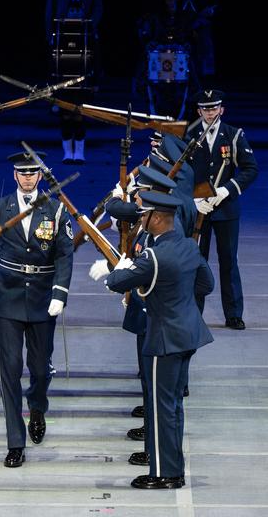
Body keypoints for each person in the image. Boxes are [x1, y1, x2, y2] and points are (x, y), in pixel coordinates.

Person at [90, 190, 214, 489]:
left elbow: (117, 282)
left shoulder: (154, 256)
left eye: (144, 215)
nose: (141, 220)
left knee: (161, 408)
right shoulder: (187, 246)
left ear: (157, 219)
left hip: (165, 337)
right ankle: (174, 468)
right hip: (188, 333)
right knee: (173, 406)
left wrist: (115, 268)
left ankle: (164, 473)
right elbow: (206, 285)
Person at [0, 151, 74, 468]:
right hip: (8, 296)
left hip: (43, 296)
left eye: (33, 173)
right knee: (9, 371)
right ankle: (15, 441)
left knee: (41, 369)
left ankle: (38, 406)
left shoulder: (56, 209)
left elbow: (64, 254)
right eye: (22, 173)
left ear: (40, 176)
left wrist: (60, 292)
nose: (28, 178)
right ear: (15, 175)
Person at [187, 90, 258, 329]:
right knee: (197, 261)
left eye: (214, 108)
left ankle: (234, 314)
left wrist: (226, 190)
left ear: (221, 110)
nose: (210, 113)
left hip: (225, 209)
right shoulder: (189, 135)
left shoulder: (233, 135)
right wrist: (193, 199)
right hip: (199, 210)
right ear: (199, 111)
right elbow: (181, 172)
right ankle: (195, 313)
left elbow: (250, 169)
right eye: (205, 109)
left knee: (229, 261)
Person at [45, 0, 102, 163]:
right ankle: (67, 152)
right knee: (63, 99)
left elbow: (98, 8)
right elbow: (49, 9)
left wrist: (90, 27)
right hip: (62, 36)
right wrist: (50, 34)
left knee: (80, 104)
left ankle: (80, 151)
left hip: (84, 36)